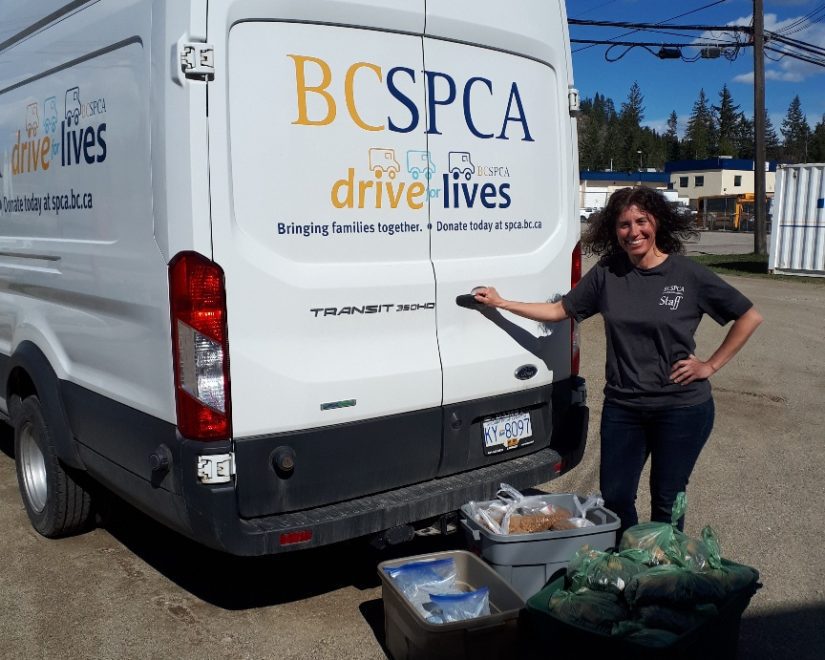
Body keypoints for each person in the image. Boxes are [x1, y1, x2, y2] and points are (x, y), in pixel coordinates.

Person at [473, 186, 763, 535]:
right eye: (624, 224)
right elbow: (559, 310)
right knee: (616, 494)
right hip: (624, 406)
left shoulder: (687, 275)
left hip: (681, 407)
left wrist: (710, 365)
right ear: (614, 230)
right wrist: (502, 303)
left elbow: (748, 317)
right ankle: (629, 560)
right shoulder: (608, 273)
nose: (633, 231)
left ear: (657, 221)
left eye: (641, 221)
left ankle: (664, 572)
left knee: (667, 498)